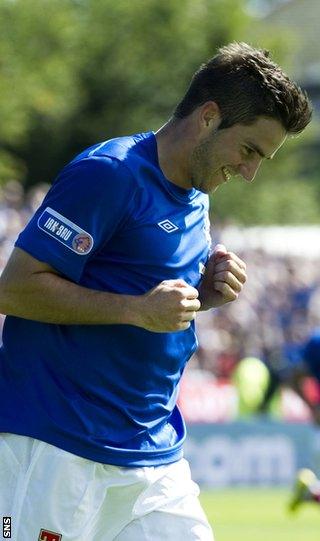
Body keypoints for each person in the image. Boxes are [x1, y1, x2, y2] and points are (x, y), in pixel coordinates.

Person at [0, 42, 312, 540]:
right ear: (209, 117)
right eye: (250, 151)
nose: (251, 172)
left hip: (151, 457)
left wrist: (202, 296)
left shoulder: (198, 196)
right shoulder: (110, 173)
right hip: (57, 445)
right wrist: (136, 309)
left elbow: (151, 302)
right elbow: (14, 289)